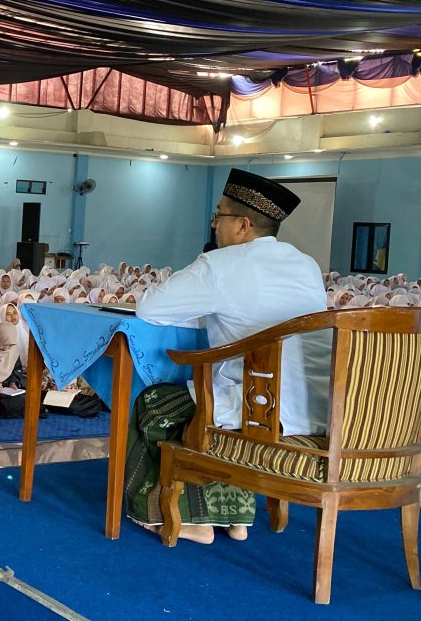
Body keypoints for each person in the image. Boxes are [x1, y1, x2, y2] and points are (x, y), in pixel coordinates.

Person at [125, 169, 328, 545]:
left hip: (259, 411)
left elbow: (149, 307)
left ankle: (182, 519)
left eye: (219, 215)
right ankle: (234, 516)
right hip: (316, 411)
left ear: (243, 225)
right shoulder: (307, 265)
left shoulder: (221, 264)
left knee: (156, 404)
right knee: (210, 400)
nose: (215, 225)